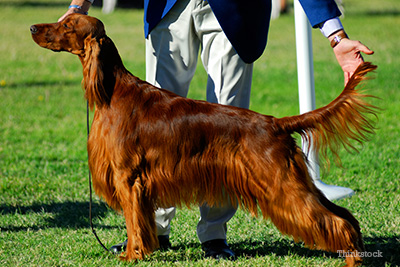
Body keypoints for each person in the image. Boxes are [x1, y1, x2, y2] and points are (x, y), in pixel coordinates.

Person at [59, 0, 374, 260]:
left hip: (233, 11)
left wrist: (334, 33)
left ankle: (214, 236)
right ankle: (146, 233)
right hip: (168, 10)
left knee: (231, 124)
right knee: (154, 132)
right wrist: (79, 4)